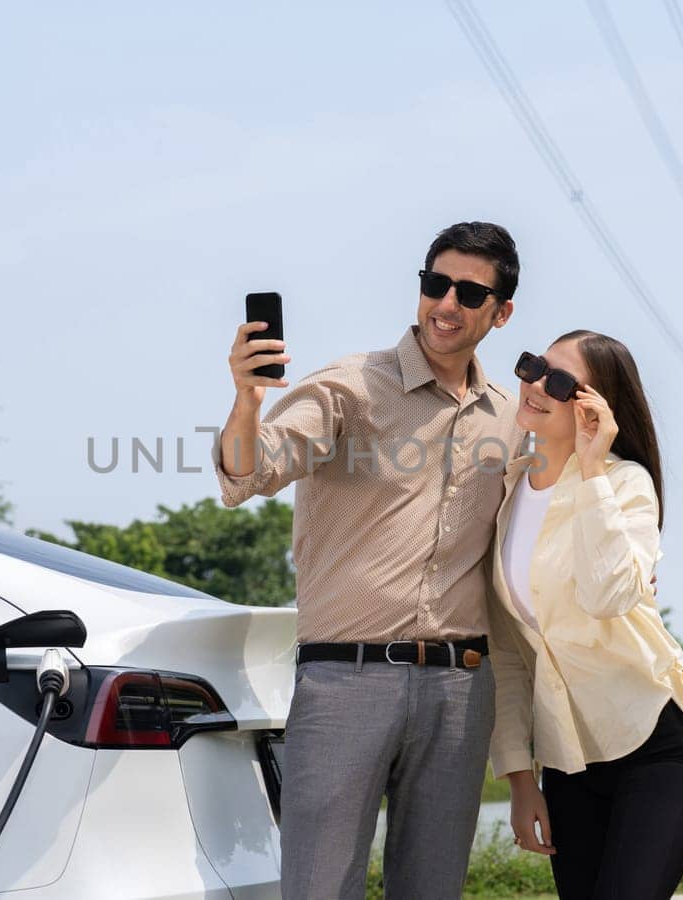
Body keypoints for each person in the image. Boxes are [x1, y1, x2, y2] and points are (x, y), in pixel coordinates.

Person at [214, 222, 524, 898]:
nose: (445, 304)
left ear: (500, 313)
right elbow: (251, 473)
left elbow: (537, 544)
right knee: (320, 888)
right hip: (345, 680)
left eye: (469, 294)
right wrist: (246, 398)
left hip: (461, 688)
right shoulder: (348, 388)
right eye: (434, 284)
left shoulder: (511, 419)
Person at [487, 329, 683, 899]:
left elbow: (607, 597)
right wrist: (521, 780)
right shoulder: (507, 490)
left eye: (563, 382)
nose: (537, 385)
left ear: (598, 409)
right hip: (570, 760)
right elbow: (510, 655)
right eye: (534, 366)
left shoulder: (625, 485)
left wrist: (593, 467)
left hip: (656, 746)